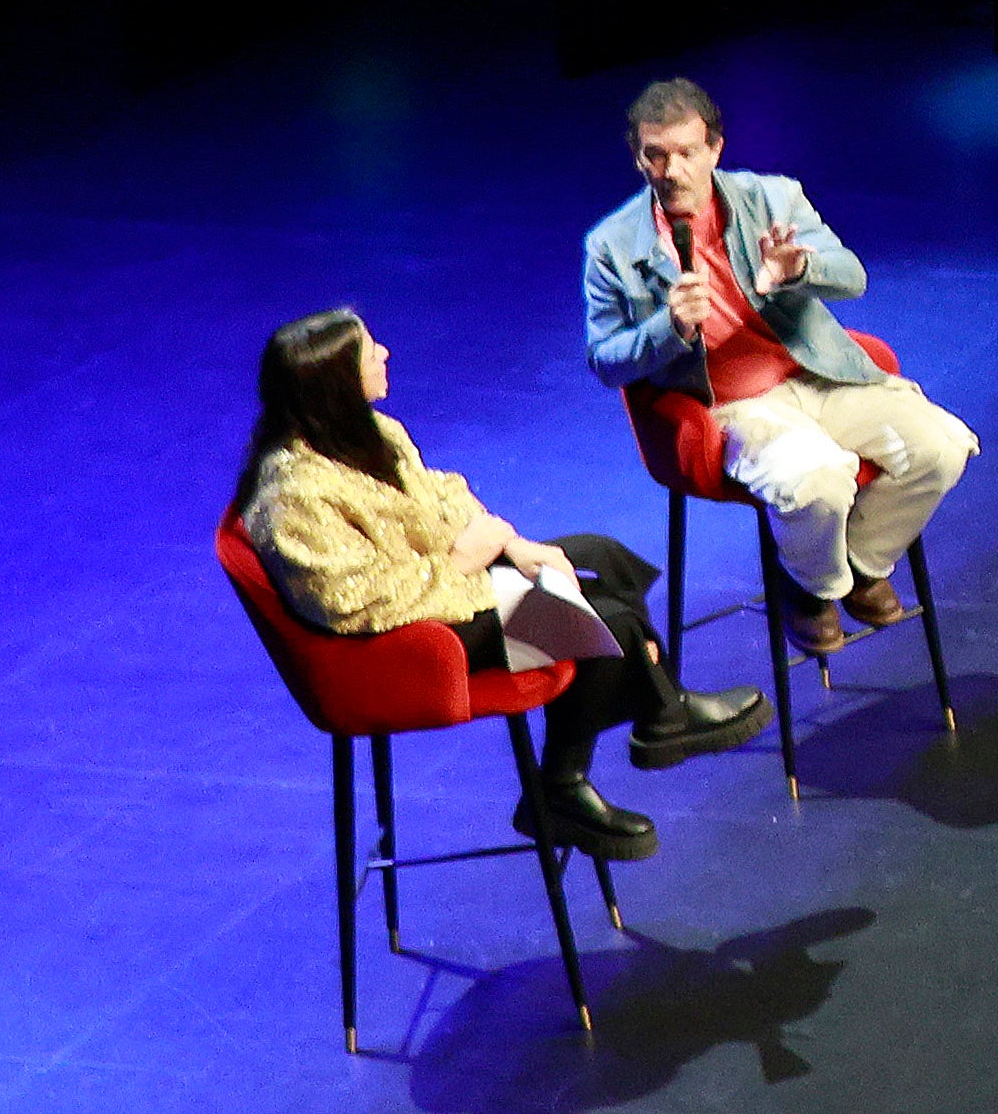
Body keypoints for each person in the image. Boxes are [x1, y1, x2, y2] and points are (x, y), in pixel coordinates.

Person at [234, 308, 768, 858]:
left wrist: (513, 546)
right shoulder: (294, 494)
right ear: (336, 384)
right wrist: (464, 564)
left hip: (441, 586)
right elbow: (349, 600)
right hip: (404, 639)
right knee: (603, 618)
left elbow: (441, 494)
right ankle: (620, 740)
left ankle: (627, 731)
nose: (385, 353)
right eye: (370, 350)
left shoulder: (369, 431)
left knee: (599, 560)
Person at [582, 78, 978, 658]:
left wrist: (798, 271)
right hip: (734, 405)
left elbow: (853, 275)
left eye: (686, 152)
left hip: (816, 374)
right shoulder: (611, 245)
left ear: (714, 149)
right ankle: (810, 589)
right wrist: (669, 328)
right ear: (638, 157)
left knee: (942, 447)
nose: (671, 169)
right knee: (817, 482)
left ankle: (860, 565)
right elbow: (605, 361)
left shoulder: (772, 197)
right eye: (655, 155)